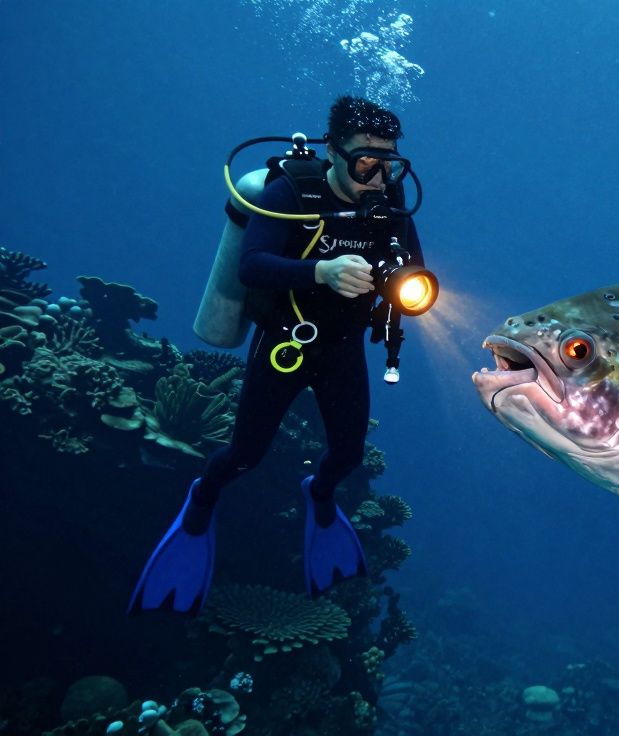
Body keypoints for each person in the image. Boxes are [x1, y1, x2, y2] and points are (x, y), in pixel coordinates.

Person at [129, 96, 426, 614]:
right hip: (288, 341)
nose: (378, 177)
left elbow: (413, 268)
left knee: (350, 455)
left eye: (390, 164)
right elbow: (253, 266)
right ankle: (202, 501)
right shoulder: (293, 190)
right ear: (333, 151)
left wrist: (399, 284)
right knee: (245, 455)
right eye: (365, 163)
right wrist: (322, 272)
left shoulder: (392, 200)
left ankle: (320, 495)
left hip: (343, 346)